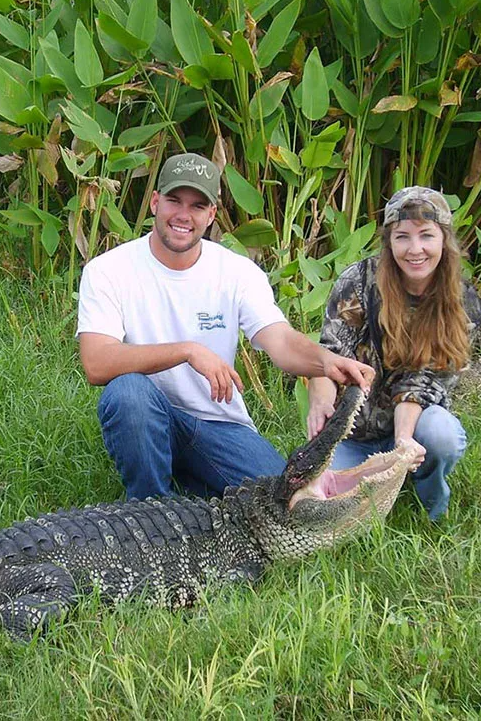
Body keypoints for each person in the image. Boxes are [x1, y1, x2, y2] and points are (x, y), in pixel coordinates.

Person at [76, 152, 374, 500]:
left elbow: (278, 339)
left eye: (198, 206)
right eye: (174, 201)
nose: (184, 216)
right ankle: (148, 502)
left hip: (218, 424)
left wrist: (325, 361)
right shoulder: (108, 270)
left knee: (282, 500)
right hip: (147, 413)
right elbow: (97, 363)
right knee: (126, 393)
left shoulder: (237, 272)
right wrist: (187, 351)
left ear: (212, 215)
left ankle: (191, 480)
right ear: (155, 202)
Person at [307, 186, 481, 520]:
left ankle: (429, 509)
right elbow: (329, 356)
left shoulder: (463, 302)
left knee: (441, 435)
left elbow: (421, 383)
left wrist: (403, 442)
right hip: (354, 430)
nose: (415, 249)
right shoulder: (358, 280)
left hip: (415, 426)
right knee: (324, 503)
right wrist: (321, 405)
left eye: (426, 236)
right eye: (403, 237)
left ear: (444, 240)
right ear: (389, 242)